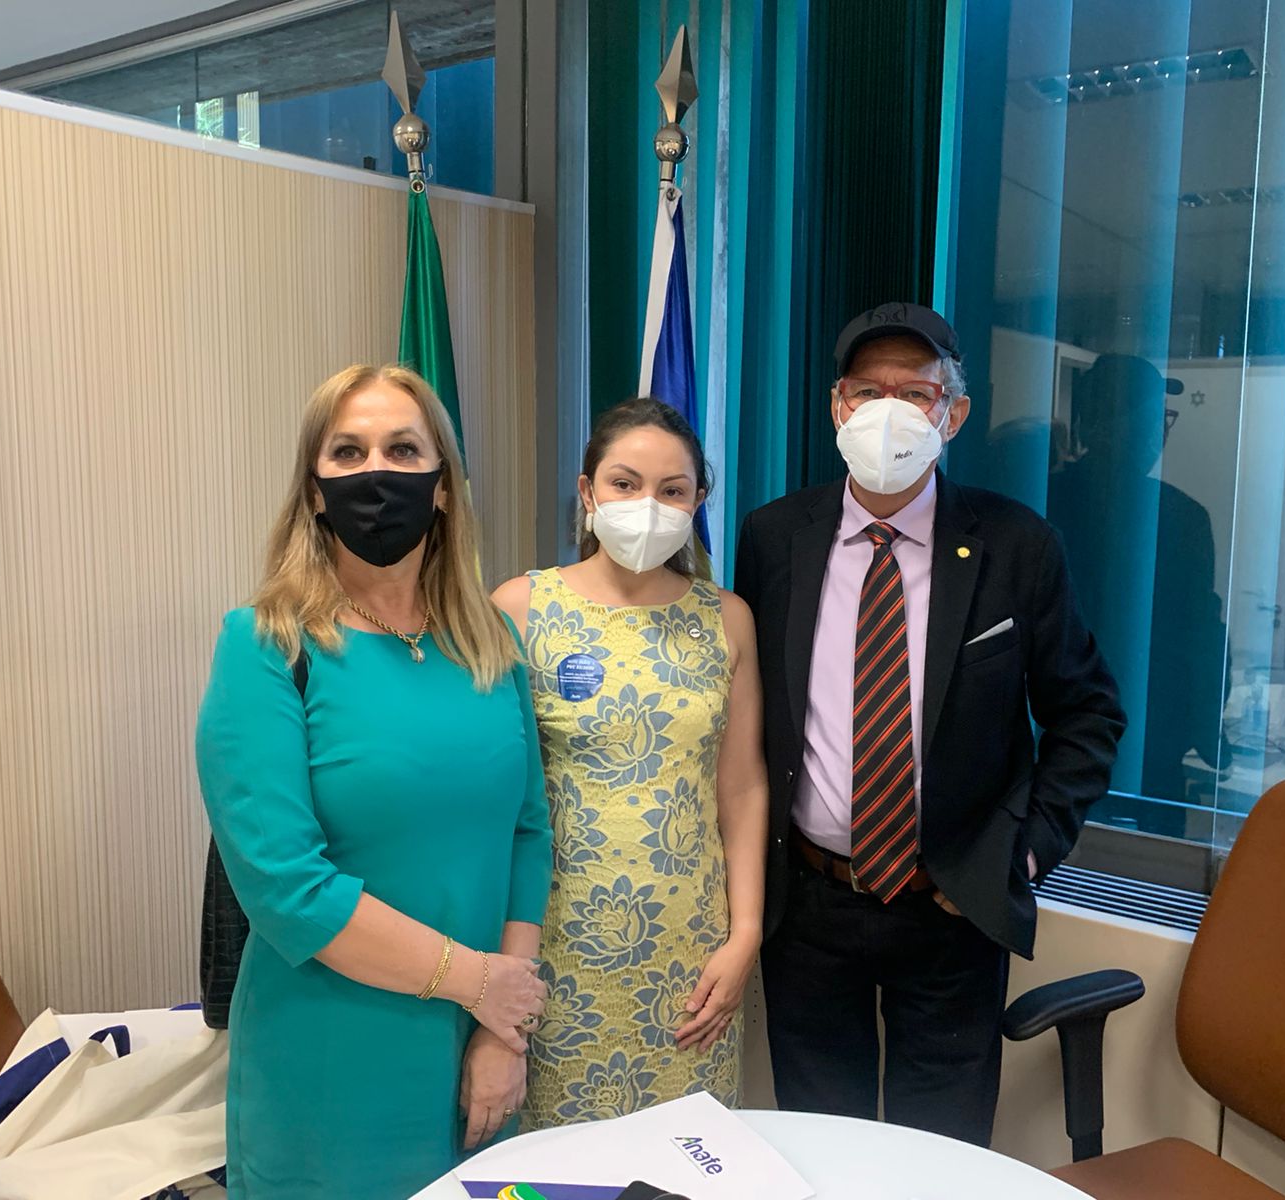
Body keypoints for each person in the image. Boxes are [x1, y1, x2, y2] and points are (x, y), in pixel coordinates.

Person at [734, 302, 1124, 1145]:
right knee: (820, 1147)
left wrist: (1023, 852)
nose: (888, 411)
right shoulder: (773, 537)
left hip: (950, 906)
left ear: (955, 413)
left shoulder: (1016, 543)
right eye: (867, 390)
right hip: (810, 904)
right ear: (837, 406)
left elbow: (1088, 713)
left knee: (939, 1151)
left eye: (915, 393)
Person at [195, 364, 551, 1199]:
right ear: (314, 491)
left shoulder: (491, 641)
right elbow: (287, 888)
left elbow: (528, 832)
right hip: (329, 1065)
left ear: (442, 486)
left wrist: (505, 1032)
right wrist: (483, 986)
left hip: (481, 1052)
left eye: (403, 450)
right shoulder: (265, 645)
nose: (376, 473)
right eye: (347, 453)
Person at [493, 397, 768, 1127]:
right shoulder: (519, 609)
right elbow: (493, 799)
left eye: (672, 490)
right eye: (624, 483)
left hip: (692, 958)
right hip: (555, 949)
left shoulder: (726, 619)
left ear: (697, 502)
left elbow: (741, 788)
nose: (647, 505)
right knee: (562, 1163)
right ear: (587, 492)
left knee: (689, 1155)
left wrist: (745, 935)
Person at [1046, 354, 1229, 828]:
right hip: (1099, 741)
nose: (1157, 435)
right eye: (1146, 420)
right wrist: (1208, 730)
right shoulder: (1180, 518)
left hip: (1120, 743)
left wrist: (1206, 728)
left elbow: (1203, 632)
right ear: (1098, 424)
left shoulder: (1046, 498)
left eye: (1162, 420)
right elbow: (1202, 635)